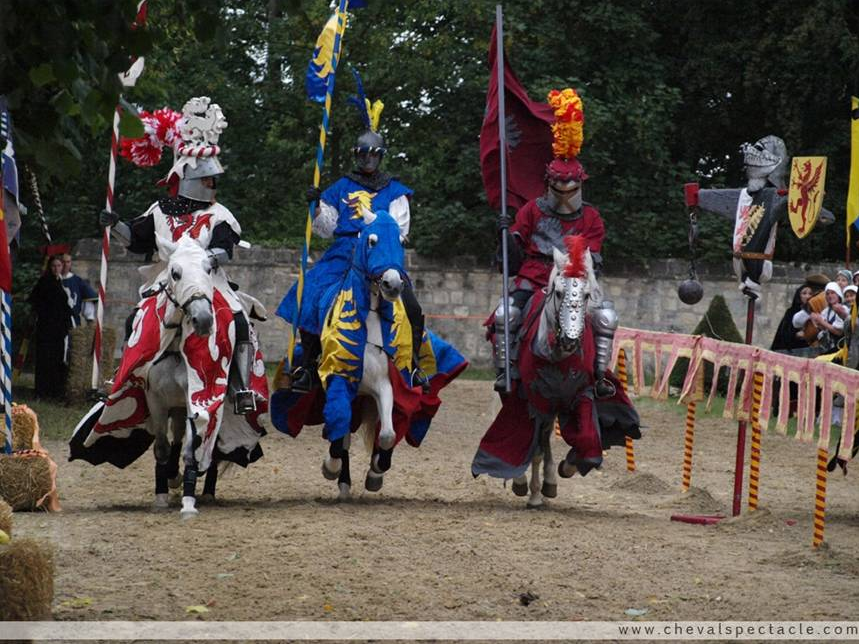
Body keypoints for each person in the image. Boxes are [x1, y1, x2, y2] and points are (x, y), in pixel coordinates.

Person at [100, 96, 263, 415]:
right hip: (167, 281)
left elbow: (225, 246)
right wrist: (115, 223)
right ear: (190, 178)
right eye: (208, 179)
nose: (213, 184)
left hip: (209, 281)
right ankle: (127, 379)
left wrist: (213, 256)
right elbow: (137, 239)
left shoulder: (219, 214)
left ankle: (239, 386)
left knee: (239, 321)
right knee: (136, 318)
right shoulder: (159, 210)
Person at [277, 82, 426, 393]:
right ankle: (309, 364)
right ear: (356, 155)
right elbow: (327, 227)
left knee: (410, 304)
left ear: (381, 156)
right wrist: (316, 207)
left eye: (373, 155)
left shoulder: (395, 192)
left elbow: (400, 231)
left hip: (381, 255)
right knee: (312, 294)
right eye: (362, 154)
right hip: (343, 253)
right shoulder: (341, 187)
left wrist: (378, 241)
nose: (367, 160)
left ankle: (412, 366)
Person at [493, 88, 615, 395]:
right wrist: (506, 235)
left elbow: (595, 258)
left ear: (579, 185)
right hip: (534, 277)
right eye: (558, 188)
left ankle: (599, 377)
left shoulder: (591, 217)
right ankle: (505, 370)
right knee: (506, 313)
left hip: (575, 280)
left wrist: (582, 272)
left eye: (570, 188)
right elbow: (514, 250)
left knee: (605, 317)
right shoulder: (532, 209)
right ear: (549, 184)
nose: (564, 194)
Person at [28, 255, 73, 399]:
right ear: (49, 267)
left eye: (59, 266)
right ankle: (42, 391)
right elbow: (36, 302)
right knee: (44, 359)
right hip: (46, 328)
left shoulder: (60, 283)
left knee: (57, 359)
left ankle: (53, 390)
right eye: (53, 266)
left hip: (59, 329)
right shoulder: (44, 282)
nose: (56, 269)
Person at [793, 281, 844, 354]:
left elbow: (839, 332)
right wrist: (817, 322)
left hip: (838, 349)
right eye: (827, 293)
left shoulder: (843, 308)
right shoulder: (826, 311)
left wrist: (821, 322)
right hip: (827, 348)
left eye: (832, 293)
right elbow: (823, 328)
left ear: (838, 294)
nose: (830, 296)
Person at [770, 283, 812, 352]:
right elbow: (784, 333)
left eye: (810, 294)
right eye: (804, 293)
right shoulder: (791, 312)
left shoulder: (815, 312)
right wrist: (796, 334)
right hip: (792, 349)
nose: (808, 296)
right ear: (799, 296)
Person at [60, 253, 97, 327]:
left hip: (72, 323)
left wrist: (90, 320)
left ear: (71, 263)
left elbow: (88, 299)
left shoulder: (77, 281)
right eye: (63, 262)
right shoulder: (51, 280)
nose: (65, 265)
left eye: (68, 262)